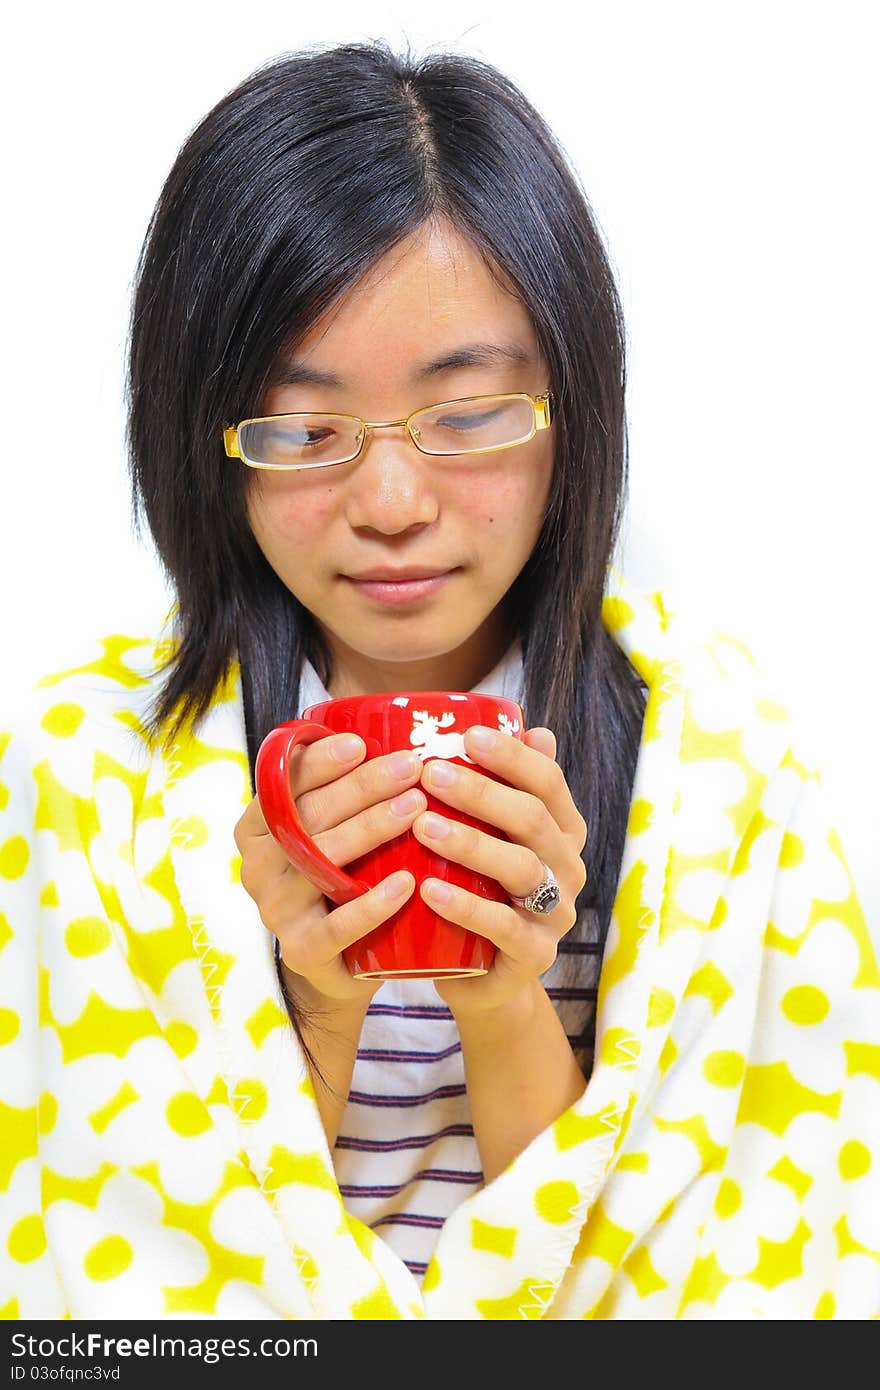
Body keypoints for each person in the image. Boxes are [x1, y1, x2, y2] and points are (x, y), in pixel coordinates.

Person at [1, 39, 876, 1323]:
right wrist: (312, 1002)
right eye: (303, 430)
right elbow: (102, 1291)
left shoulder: (716, 771)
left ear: (570, 407)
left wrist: (508, 995)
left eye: (465, 415)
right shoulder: (87, 773)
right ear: (206, 443)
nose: (393, 504)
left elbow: (736, 1286)